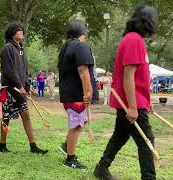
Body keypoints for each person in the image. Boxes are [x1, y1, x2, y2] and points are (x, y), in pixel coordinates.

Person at [94, 5, 158, 180]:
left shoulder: (134, 40)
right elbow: (128, 76)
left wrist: (146, 100)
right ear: (148, 22)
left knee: (120, 135)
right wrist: (133, 106)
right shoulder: (133, 40)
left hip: (135, 100)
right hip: (130, 101)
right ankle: (149, 177)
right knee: (147, 141)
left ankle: (101, 168)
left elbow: (139, 76)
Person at [0, 22, 48, 154]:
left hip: (21, 90)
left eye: (22, 30)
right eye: (17, 30)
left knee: (26, 115)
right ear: (12, 33)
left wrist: (26, 86)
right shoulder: (8, 48)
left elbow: (25, 70)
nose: (21, 32)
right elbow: (9, 70)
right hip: (10, 89)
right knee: (6, 117)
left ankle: (33, 146)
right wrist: (19, 86)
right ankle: (2, 145)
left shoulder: (20, 49)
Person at [57, 20, 93, 169]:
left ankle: (67, 146)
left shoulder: (67, 46)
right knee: (77, 125)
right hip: (76, 93)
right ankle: (70, 159)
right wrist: (89, 91)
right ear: (83, 33)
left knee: (81, 121)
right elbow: (83, 71)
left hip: (69, 92)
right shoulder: (80, 46)